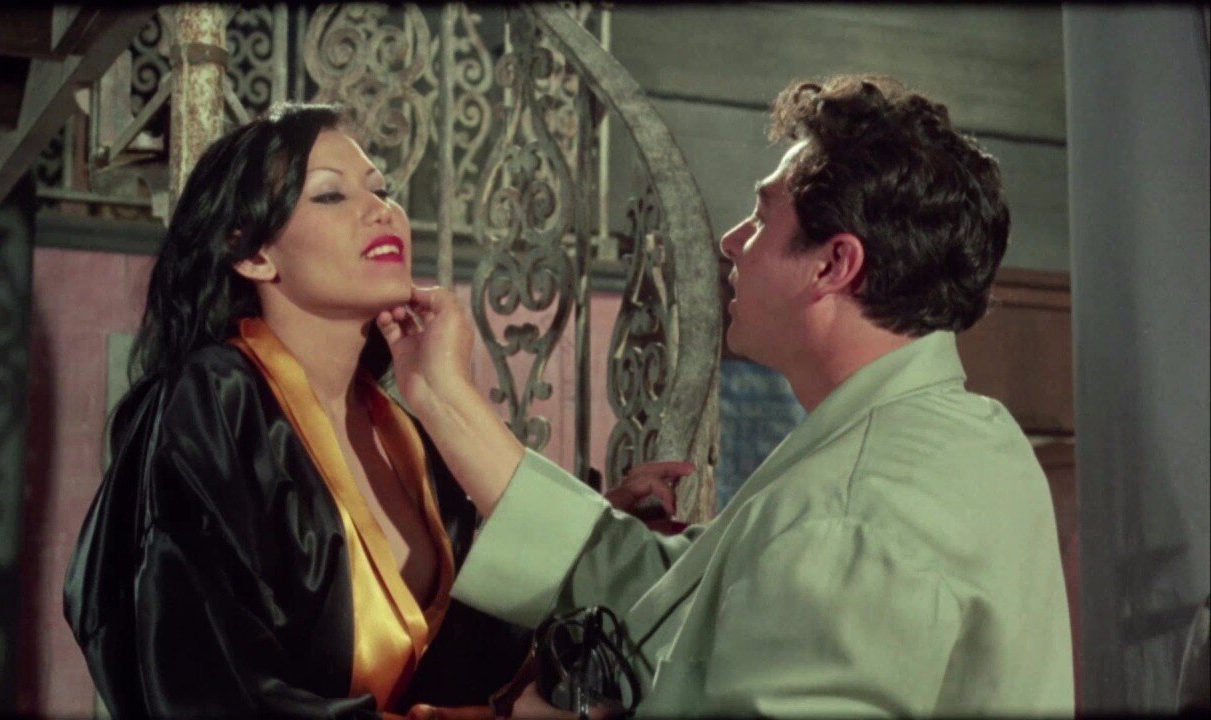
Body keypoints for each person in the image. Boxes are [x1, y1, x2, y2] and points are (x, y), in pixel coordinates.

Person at [375, 74, 1075, 717]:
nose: (733, 242)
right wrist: (440, 392)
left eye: (762, 217)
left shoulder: (851, 513)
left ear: (833, 264)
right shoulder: (973, 436)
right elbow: (670, 590)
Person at [62, 103, 532, 718]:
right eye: (331, 195)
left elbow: (474, 658)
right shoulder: (214, 401)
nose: (381, 210)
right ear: (251, 252)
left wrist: (450, 393)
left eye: (381, 189)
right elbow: (207, 683)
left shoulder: (403, 431)